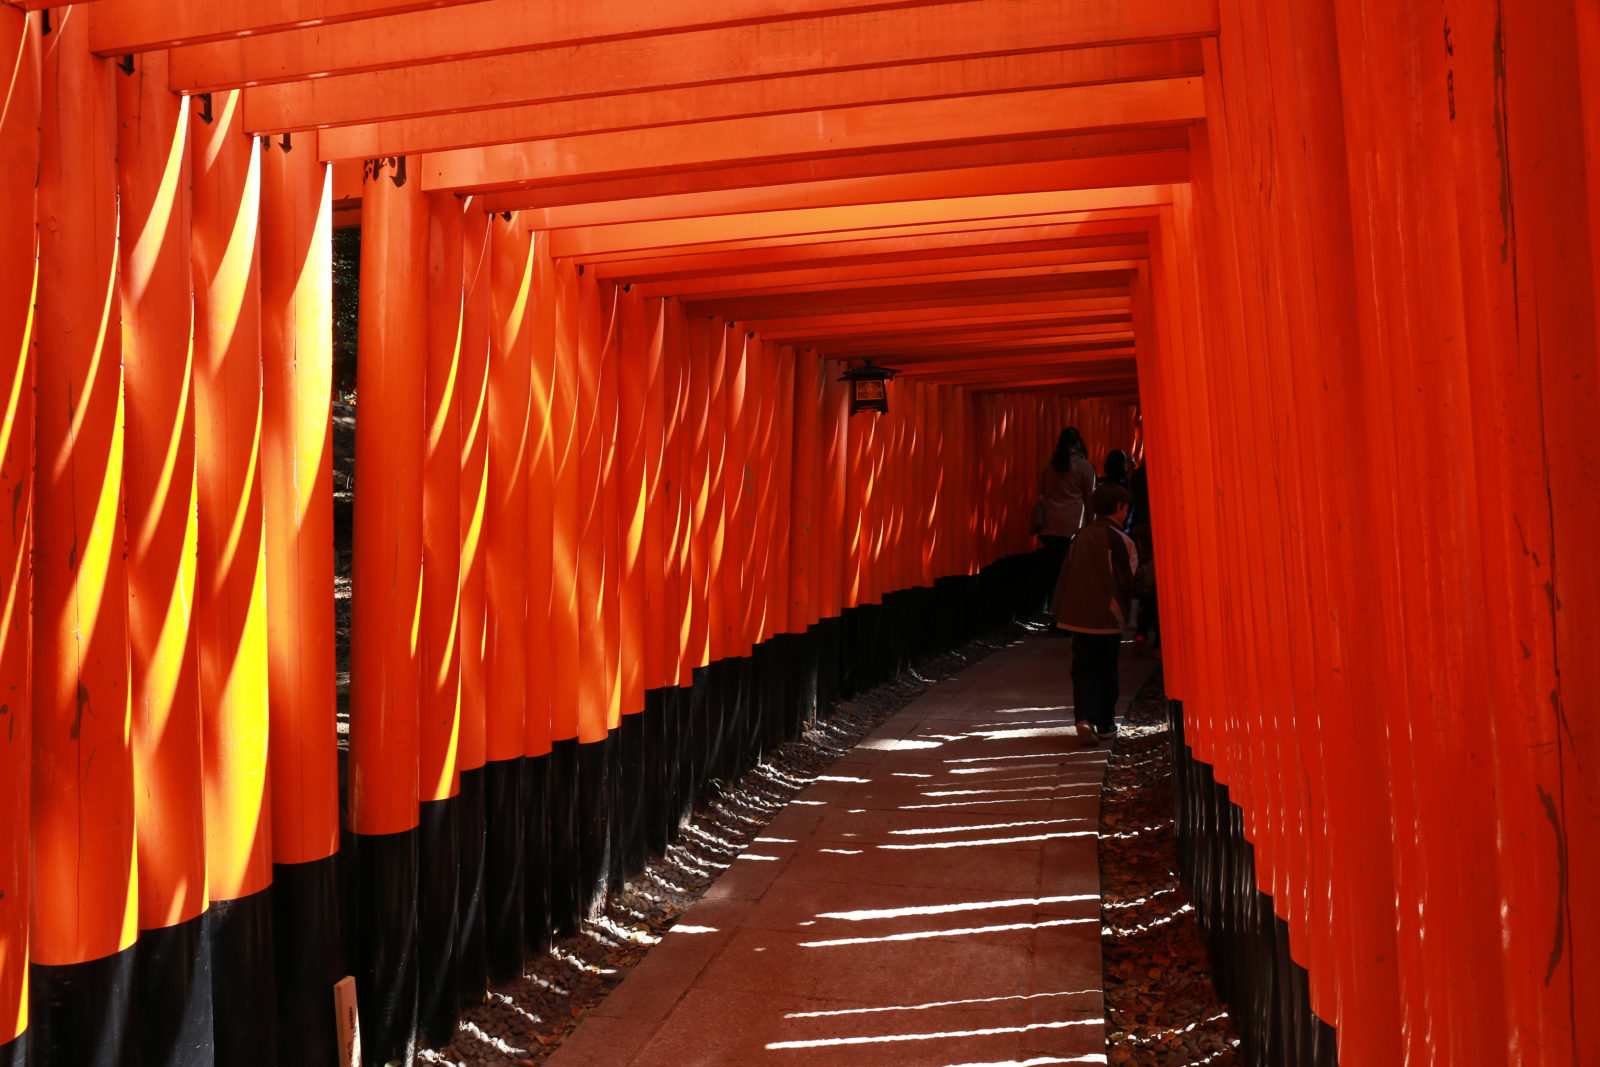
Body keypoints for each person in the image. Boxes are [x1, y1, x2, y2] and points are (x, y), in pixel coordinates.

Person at [1052, 482, 1137, 747]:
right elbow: (1130, 579)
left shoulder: (1079, 536)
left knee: (1082, 668)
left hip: (1078, 617)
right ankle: (1105, 722)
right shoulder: (1120, 540)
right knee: (1107, 669)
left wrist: (1058, 611)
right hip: (1108, 618)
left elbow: (1065, 575)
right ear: (1121, 508)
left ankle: (1083, 718)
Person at [1035, 428, 1096, 615]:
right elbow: (1090, 498)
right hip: (1072, 528)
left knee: (1054, 572)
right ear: (1078, 443)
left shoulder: (1048, 464)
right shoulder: (1084, 466)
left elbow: (1042, 491)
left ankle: (1054, 612)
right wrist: (1091, 525)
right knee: (1071, 574)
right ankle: (1068, 614)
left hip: (1049, 527)